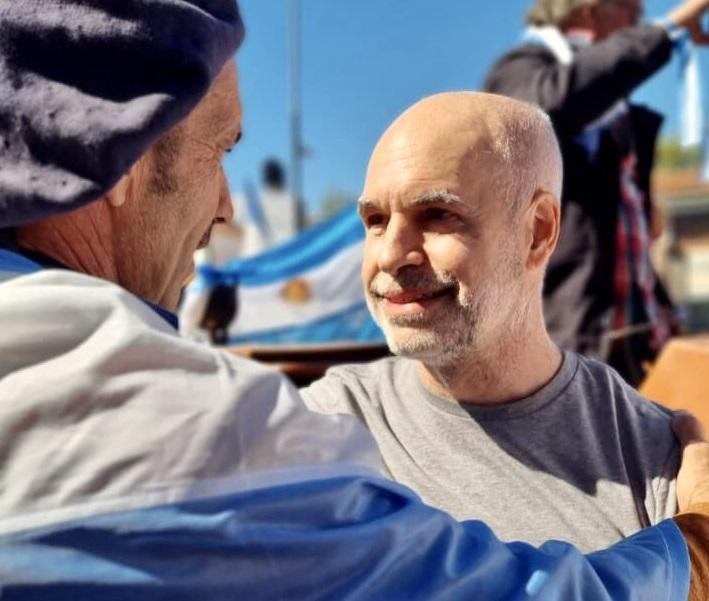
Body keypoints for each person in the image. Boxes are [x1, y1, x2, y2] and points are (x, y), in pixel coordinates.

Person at [0, 1, 708, 598]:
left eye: (437, 215)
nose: (225, 205)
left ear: (538, 231)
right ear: (117, 153)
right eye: (217, 152)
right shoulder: (256, 434)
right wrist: (692, 546)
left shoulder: (650, 441)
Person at [302, 91, 681, 551]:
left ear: (538, 230)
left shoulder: (654, 455)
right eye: (376, 220)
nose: (390, 255)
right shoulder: (320, 428)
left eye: (437, 214)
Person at [482, 0, 709, 384]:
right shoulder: (522, 71)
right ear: (590, 10)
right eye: (632, 14)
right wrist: (664, 31)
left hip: (637, 337)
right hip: (569, 336)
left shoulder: (614, 110)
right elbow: (550, 105)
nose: (640, 23)